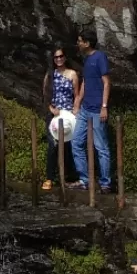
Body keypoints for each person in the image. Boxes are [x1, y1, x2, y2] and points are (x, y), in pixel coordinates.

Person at [71, 27, 112, 193]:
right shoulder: (86, 60)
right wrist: (77, 103)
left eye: (80, 41)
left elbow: (107, 83)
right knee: (76, 143)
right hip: (85, 109)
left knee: (101, 147)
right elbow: (85, 83)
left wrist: (104, 107)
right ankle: (85, 180)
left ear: (87, 43)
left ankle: (105, 183)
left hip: (97, 109)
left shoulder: (100, 57)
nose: (78, 43)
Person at [42, 42, 79, 190]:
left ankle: (69, 177)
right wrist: (51, 109)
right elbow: (45, 94)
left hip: (69, 115)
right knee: (53, 145)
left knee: (68, 146)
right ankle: (49, 177)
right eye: (56, 57)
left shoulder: (72, 74)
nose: (58, 59)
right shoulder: (49, 75)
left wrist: (76, 109)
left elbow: (76, 95)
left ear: (65, 57)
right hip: (54, 114)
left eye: (61, 56)